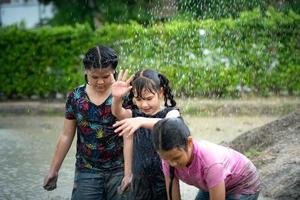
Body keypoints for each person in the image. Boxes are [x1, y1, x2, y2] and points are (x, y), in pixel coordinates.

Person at [43, 45, 130, 200]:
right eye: (94, 77)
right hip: (87, 171)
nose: (101, 82)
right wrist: (54, 170)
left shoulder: (125, 95)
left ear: (114, 71)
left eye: (106, 76)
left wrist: (129, 173)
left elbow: (130, 134)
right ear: (86, 71)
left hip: (119, 170)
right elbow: (66, 135)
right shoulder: (76, 97)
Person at [111, 69, 180, 200]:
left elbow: (171, 123)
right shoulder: (134, 115)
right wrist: (116, 98)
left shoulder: (170, 113)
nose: (144, 104)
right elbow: (117, 112)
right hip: (139, 180)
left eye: (149, 98)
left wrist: (141, 121)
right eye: (138, 99)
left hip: (164, 179)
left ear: (160, 92)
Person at [152, 117, 261, 200]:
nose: (172, 163)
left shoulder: (210, 162)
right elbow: (173, 196)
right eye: (166, 159)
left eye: (177, 158)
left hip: (243, 185)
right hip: (213, 183)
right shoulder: (168, 157)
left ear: (189, 143)